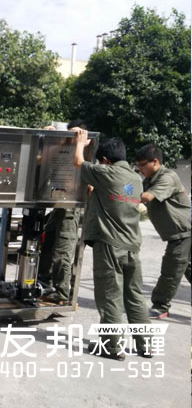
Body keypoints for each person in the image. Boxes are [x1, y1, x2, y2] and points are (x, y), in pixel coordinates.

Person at [73, 130, 152, 361]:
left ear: (106, 160)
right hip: (132, 245)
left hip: (110, 245)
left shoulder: (105, 172)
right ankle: (146, 345)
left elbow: (78, 162)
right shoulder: (136, 179)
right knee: (135, 296)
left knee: (110, 297)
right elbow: (115, 197)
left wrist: (80, 143)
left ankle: (112, 347)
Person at [135, 144, 191, 319]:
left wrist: (120, 195)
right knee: (187, 268)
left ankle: (160, 306)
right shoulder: (149, 179)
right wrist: (116, 190)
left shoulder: (167, 177)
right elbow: (135, 191)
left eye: (142, 165)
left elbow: (146, 197)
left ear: (155, 162)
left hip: (183, 232)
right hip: (179, 232)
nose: (140, 169)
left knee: (171, 270)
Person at [39, 120, 87, 304]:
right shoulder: (62, 148)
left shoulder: (86, 151)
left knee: (62, 251)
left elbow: (83, 168)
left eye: (76, 133)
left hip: (71, 206)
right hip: (57, 204)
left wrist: (80, 143)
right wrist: (49, 138)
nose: (72, 137)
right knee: (47, 243)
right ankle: (44, 282)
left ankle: (61, 293)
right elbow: (42, 160)